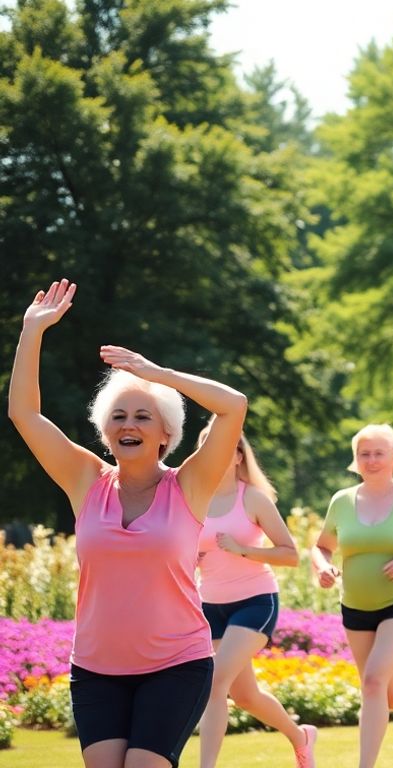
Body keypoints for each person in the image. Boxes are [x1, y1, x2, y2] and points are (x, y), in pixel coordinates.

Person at [8, 279, 248, 768]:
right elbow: (24, 413)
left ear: (166, 433)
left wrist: (159, 374)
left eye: (143, 416)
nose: (129, 425)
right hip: (96, 669)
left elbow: (233, 405)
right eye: (118, 417)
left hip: (176, 664)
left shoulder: (189, 485)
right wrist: (31, 332)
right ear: (105, 431)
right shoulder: (85, 480)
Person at [312, 423, 393, 768]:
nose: (371, 460)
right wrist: (323, 568)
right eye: (364, 454)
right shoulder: (341, 501)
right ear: (356, 460)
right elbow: (322, 547)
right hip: (355, 607)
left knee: (372, 682)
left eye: (379, 453)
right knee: (390, 693)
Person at [195, 426, 317, 768]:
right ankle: (301, 737)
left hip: (255, 601)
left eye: (222, 447)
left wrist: (243, 549)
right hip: (210, 606)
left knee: (215, 681)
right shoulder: (194, 498)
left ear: (237, 456)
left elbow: (290, 554)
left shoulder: (252, 498)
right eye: (207, 447)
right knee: (245, 695)